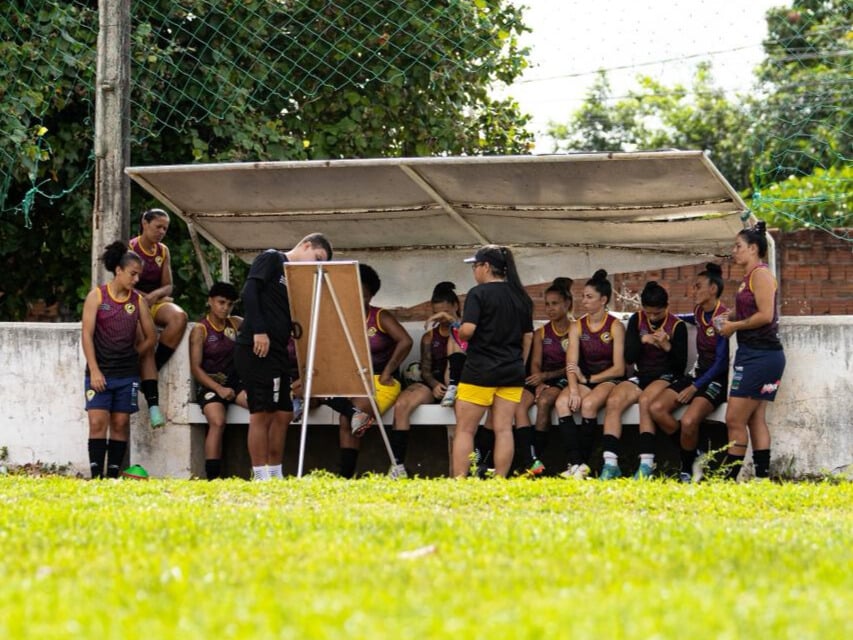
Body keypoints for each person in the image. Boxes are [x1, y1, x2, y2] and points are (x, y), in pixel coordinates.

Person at [234, 233, 333, 481]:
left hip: (279, 351)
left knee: (283, 413)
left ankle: (276, 472)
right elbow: (249, 292)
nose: (315, 266)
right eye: (317, 258)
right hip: (256, 346)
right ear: (307, 245)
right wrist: (259, 331)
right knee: (261, 412)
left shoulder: (297, 279)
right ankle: (260, 474)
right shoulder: (272, 258)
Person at [433, 245, 533, 478]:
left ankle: (459, 479)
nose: (474, 271)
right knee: (504, 429)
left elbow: (468, 331)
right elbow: (527, 336)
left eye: (475, 266)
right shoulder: (521, 296)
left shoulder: (478, 294)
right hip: (512, 372)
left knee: (465, 430)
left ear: (486, 267)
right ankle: (499, 479)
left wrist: (456, 326)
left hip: (480, 371)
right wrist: (519, 363)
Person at [81, 242, 157, 479]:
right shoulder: (97, 296)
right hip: (100, 372)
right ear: (119, 271)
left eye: (139, 276)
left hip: (127, 375)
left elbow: (152, 335)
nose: (136, 280)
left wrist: (136, 354)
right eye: (133, 274)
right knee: (97, 422)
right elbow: (86, 334)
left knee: (121, 423)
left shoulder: (137, 301)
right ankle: (96, 476)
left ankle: (113, 476)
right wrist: (94, 370)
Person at [649, 264, 730, 482]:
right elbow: (690, 318)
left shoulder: (723, 318)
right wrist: (670, 317)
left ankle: (686, 468)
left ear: (713, 289)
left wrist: (695, 387)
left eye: (697, 286)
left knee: (688, 422)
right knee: (656, 409)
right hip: (697, 375)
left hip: (715, 380)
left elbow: (722, 363)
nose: (692, 291)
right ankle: (694, 453)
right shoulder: (699, 310)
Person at [717, 221, 785, 480]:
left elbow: (766, 315)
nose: (734, 251)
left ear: (754, 249)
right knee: (755, 418)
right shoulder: (749, 278)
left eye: (738, 246)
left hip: (762, 355)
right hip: (752, 353)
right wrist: (729, 315)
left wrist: (733, 326)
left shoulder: (761, 275)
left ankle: (728, 479)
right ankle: (762, 478)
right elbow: (750, 309)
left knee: (734, 419)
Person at [600, 281, 688, 480]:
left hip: (665, 376)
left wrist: (667, 346)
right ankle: (610, 464)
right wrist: (642, 340)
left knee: (646, 401)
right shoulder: (636, 320)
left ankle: (646, 465)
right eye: (648, 313)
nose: (652, 318)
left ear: (666, 307)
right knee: (614, 401)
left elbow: (679, 367)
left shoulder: (677, 325)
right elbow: (629, 357)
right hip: (641, 375)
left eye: (657, 313)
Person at [337, 263, 413, 479]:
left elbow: (405, 341)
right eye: (354, 294)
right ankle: (346, 476)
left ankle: (346, 475)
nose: (358, 300)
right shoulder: (342, 318)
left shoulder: (380, 316)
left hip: (382, 381)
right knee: (345, 416)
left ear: (371, 297)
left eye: (364, 296)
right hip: (353, 379)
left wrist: (389, 370)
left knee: (350, 416)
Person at [555, 269, 626, 479]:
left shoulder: (615, 326)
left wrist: (588, 380)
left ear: (603, 300)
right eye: (583, 296)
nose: (583, 301)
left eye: (589, 297)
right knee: (562, 403)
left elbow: (619, 368)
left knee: (588, 405)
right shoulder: (577, 326)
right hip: (584, 379)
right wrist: (575, 389)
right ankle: (575, 463)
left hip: (608, 379)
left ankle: (584, 463)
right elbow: (571, 362)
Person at [389, 281, 460, 477]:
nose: (443, 318)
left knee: (456, 420)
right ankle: (398, 465)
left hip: (461, 384)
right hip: (436, 384)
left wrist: (455, 324)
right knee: (402, 404)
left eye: (446, 311)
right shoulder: (430, 337)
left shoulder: (466, 331)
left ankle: (459, 473)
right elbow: (426, 369)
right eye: (438, 313)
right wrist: (434, 384)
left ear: (456, 306)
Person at [129, 208, 188, 429]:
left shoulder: (163, 251)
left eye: (165, 228)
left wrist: (155, 295)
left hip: (154, 302)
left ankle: (153, 369)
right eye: (158, 227)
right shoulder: (131, 248)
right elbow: (125, 283)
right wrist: (144, 297)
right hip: (132, 302)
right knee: (145, 335)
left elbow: (168, 285)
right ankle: (153, 401)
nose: (162, 232)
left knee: (179, 317)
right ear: (145, 223)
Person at [514, 277, 574, 477]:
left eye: (555, 304)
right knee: (518, 403)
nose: (550, 308)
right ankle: (530, 460)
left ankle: (536, 457)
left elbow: (574, 365)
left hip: (564, 377)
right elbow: (536, 364)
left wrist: (547, 377)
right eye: (547, 304)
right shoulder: (541, 333)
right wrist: (539, 380)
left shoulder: (577, 329)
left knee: (545, 402)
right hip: (542, 377)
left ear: (567, 304)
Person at [188, 281, 248, 480]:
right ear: (210, 301)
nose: (225, 308)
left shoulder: (236, 323)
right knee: (218, 421)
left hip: (235, 383)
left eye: (229, 304)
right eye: (221, 302)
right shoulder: (200, 329)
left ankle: (262, 471)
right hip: (210, 385)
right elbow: (195, 368)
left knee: (260, 407)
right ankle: (212, 479)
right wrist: (218, 389)